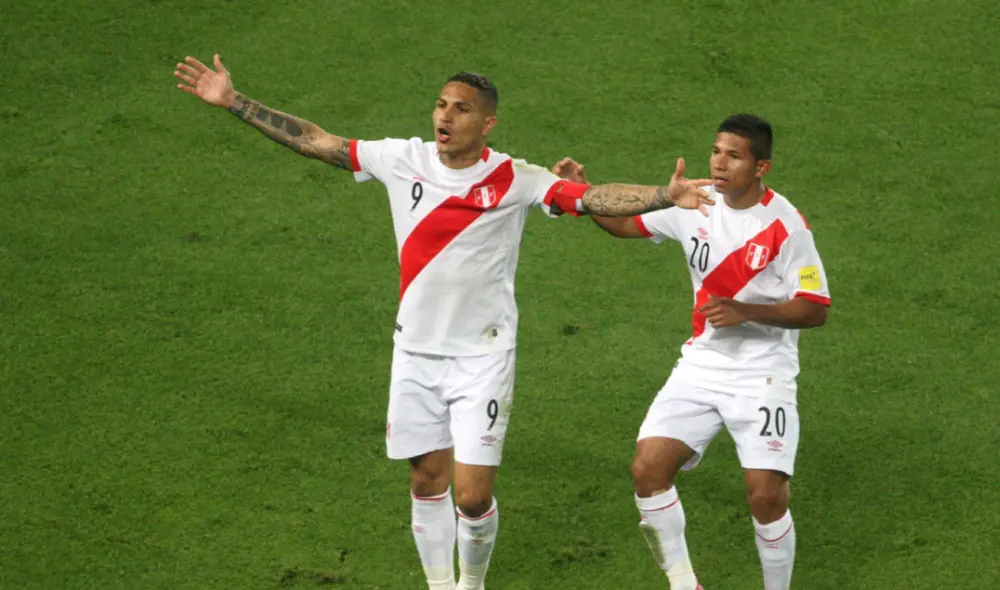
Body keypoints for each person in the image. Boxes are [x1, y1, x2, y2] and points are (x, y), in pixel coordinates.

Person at [173, 54, 715, 590]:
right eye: (440, 105)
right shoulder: (401, 158)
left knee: (473, 496)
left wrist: (665, 196)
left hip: (482, 359)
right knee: (425, 480)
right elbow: (319, 140)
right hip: (415, 354)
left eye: (460, 109)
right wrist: (233, 102)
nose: (445, 117)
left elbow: (590, 196)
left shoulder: (514, 178)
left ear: (487, 123)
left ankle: (471, 583)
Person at [552, 113, 830, 590]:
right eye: (716, 151)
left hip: (763, 373)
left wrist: (747, 310)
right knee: (648, 468)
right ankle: (685, 585)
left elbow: (815, 308)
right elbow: (625, 227)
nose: (720, 164)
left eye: (734, 156)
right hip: (701, 364)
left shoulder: (787, 226)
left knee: (765, 497)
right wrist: (584, 194)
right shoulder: (694, 204)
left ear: (761, 166)